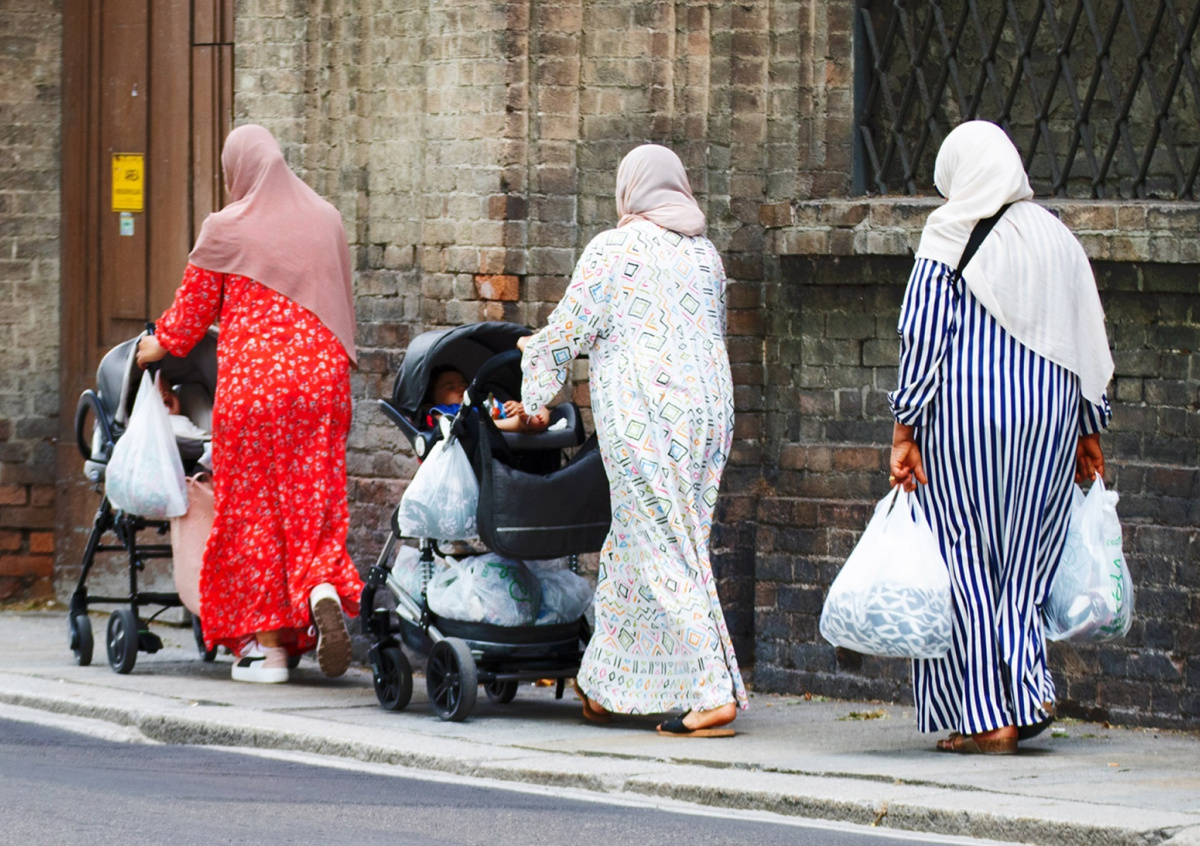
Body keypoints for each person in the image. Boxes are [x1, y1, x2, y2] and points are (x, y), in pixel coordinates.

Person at [888, 121, 1114, 754]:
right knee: (1024, 563)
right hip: (1050, 420)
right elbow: (1088, 336)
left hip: (966, 420)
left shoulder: (950, 230)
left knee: (964, 557)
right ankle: (1026, 692)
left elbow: (923, 335)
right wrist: (1090, 429)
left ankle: (989, 716)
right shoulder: (1058, 238)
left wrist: (906, 427)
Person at [518, 144, 747, 736]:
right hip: (707, 416)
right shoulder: (706, 256)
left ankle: (712, 691)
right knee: (637, 541)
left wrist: (534, 372)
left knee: (662, 545)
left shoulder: (613, 250)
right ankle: (605, 684)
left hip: (644, 414)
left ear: (629, 189)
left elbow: (568, 330)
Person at [136, 124, 362, 684]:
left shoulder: (226, 227)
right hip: (322, 383)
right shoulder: (327, 219)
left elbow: (188, 320)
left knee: (255, 516)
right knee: (312, 504)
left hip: (256, 390)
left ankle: (269, 652)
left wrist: (153, 346)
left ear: (236, 170)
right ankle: (321, 585)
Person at [423, 365, 551, 432]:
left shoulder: (481, 399)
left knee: (538, 406)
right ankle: (525, 423)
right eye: (451, 388)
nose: (461, 389)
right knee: (517, 421)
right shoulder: (445, 410)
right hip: (484, 427)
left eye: (464, 385)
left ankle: (535, 420)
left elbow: (501, 407)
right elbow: (442, 423)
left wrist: (515, 407)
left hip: (500, 415)